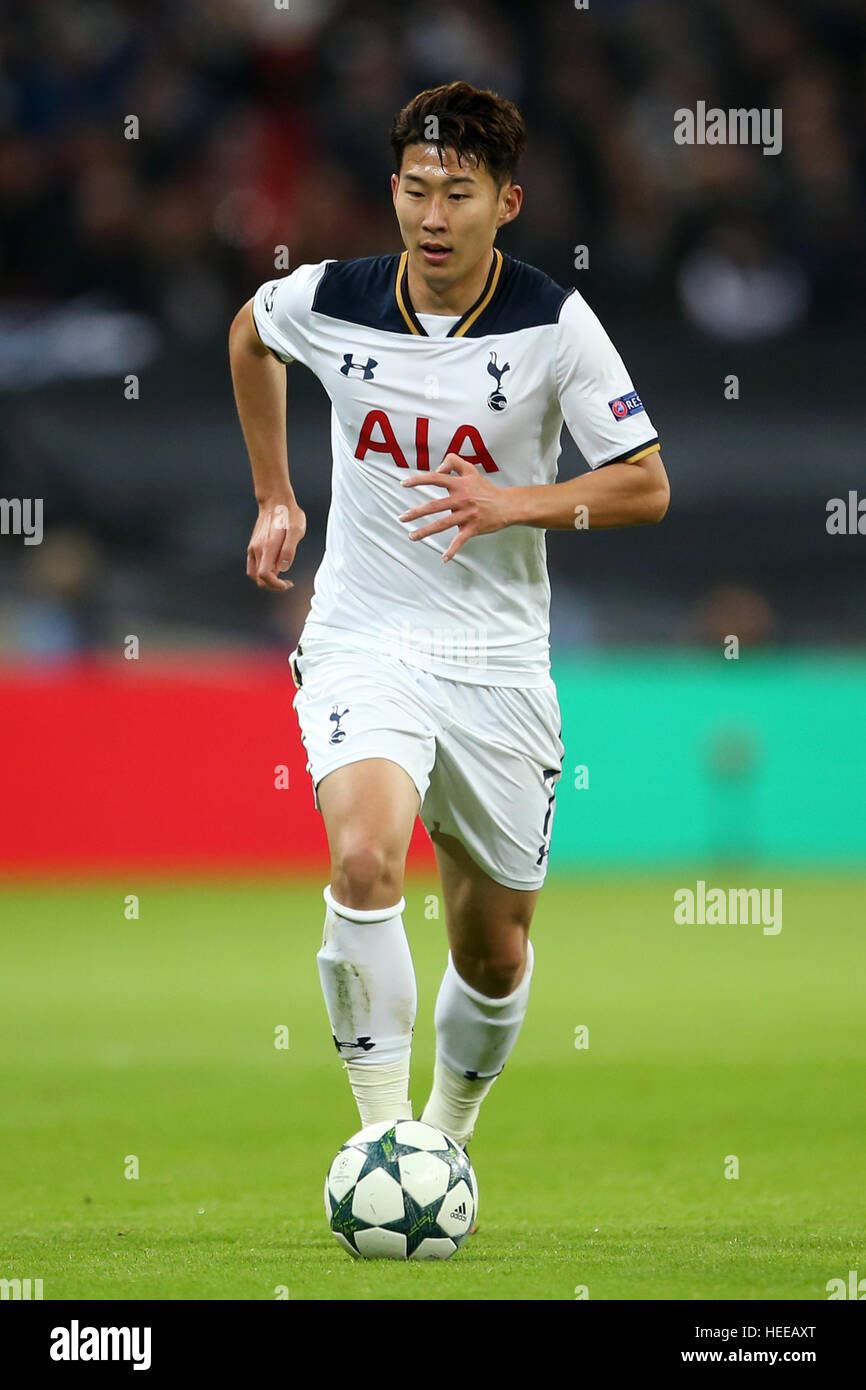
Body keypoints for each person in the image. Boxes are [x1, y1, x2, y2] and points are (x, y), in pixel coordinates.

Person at [229, 81, 669, 1157]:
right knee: (365, 860)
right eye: (416, 191)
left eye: (458, 194)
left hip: (497, 659)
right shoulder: (330, 297)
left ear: (506, 203)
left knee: (496, 951)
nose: (433, 217)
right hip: (362, 635)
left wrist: (511, 501)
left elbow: (644, 484)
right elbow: (250, 333)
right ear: (391, 190)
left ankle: (446, 1135)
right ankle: (385, 1145)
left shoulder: (553, 325)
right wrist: (275, 493)